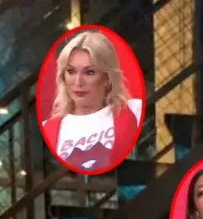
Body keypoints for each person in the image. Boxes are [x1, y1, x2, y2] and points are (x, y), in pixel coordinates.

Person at [41, 30, 143, 171]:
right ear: (63, 76)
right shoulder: (48, 128)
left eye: (89, 72)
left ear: (107, 78)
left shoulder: (135, 110)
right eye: (71, 71)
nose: (78, 82)